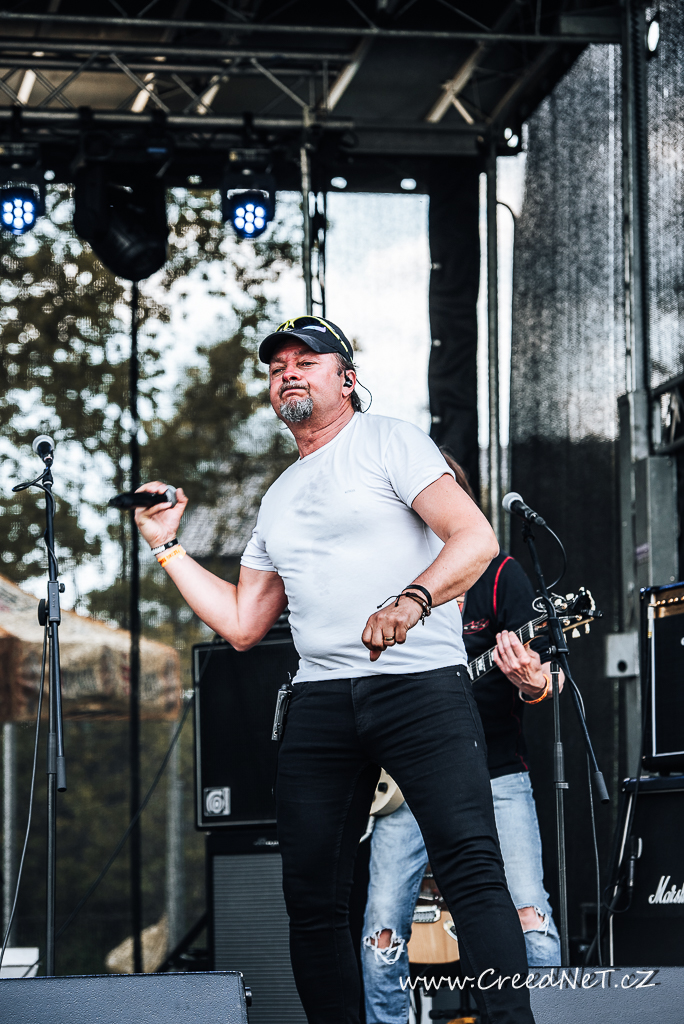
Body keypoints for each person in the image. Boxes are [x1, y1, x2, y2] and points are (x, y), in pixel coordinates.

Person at [133, 314, 535, 1024]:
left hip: (420, 686)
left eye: (307, 360)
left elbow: (475, 538)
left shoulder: (390, 442)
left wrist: (412, 600)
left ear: (347, 380)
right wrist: (168, 547)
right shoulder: (278, 497)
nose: (288, 371)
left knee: (471, 869)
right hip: (320, 697)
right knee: (311, 898)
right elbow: (243, 623)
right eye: (277, 366)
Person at [362, 456, 561, 1024]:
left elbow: (548, 674)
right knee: (381, 938)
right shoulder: (380, 582)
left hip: (497, 773)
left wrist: (531, 682)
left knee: (532, 924)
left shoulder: (499, 576)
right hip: (405, 786)